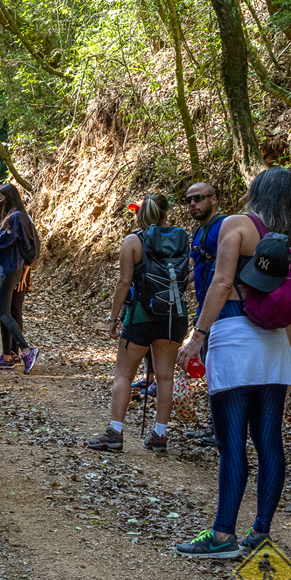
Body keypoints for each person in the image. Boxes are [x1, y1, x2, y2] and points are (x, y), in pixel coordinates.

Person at [175, 167, 291, 558]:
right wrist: (287, 354)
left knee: (231, 443)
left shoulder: (239, 225)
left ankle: (223, 535)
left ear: (255, 192)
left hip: (233, 338)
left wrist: (198, 335)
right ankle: (261, 531)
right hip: (275, 347)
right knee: (269, 441)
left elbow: (221, 282)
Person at [88, 193, 187, 453]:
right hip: (173, 317)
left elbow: (123, 282)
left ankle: (115, 432)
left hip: (141, 315)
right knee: (165, 378)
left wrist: (112, 318)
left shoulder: (133, 241)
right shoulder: (180, 239)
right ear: (165, 213)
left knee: (123, 373)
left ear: (140, 214)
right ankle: (160, 435)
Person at [0, 184, 40, 374]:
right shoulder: (10, 217)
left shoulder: (16, 218)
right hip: (3, 268)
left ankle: (26, 351)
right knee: (0, 313)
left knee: (5, 313)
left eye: (1, 197)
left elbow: (2, 243)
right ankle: (7, 356)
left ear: (10, 197)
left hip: (9, 268)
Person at [183, 181, 225, 447]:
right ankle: (216, 427)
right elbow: (194, 270)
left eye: (198, 198)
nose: (193, 204)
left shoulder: (224, 228)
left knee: (220, 372)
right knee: (212, 371)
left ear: (214, 198)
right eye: (188, 200)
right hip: (204, 311)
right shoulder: (198, 234)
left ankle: (223, 430)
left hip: (223, 313)